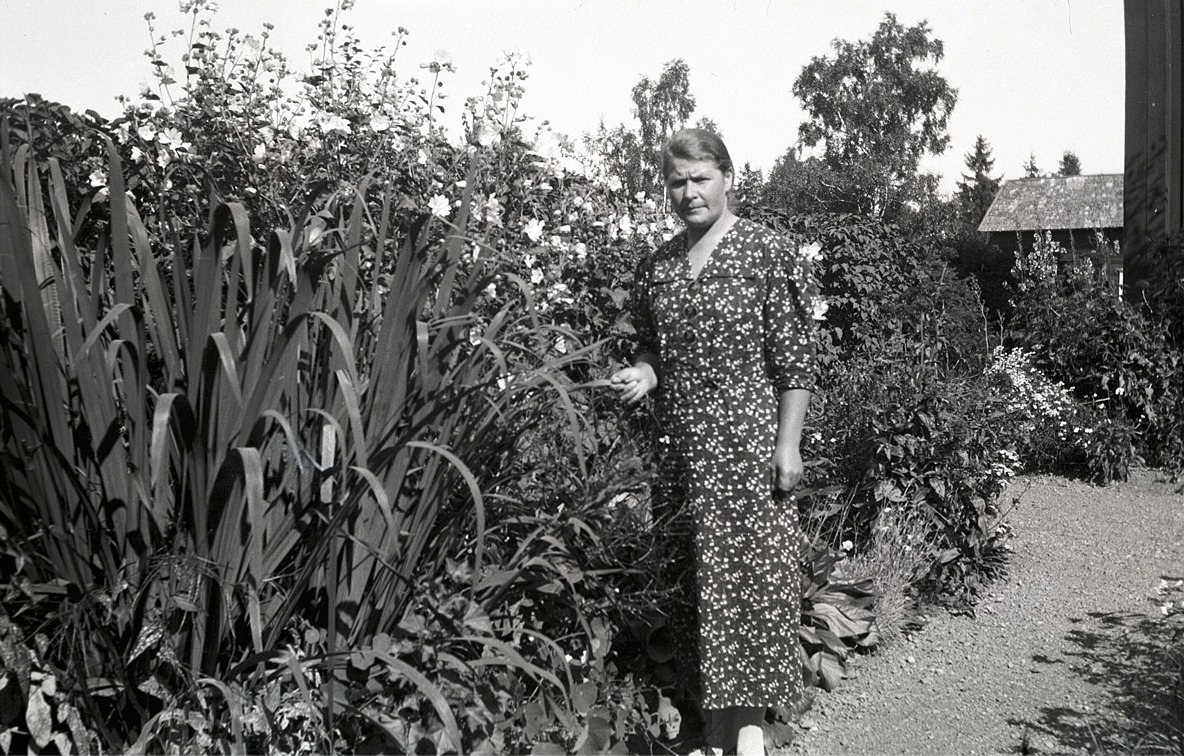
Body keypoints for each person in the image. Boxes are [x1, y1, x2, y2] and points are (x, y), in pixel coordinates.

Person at [610, 129, 816, 756]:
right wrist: (645, 372)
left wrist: (789, 445)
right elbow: (654, 345)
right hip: (682, 460)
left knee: (748, 590)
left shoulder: (764, 252)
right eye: (677, 181)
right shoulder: (660, 266)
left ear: (727, 177)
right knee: (692, 587)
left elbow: (794, 363)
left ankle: (748, 736)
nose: (689, 192)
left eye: (701, 178)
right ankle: (711, 730)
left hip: (748, 454)